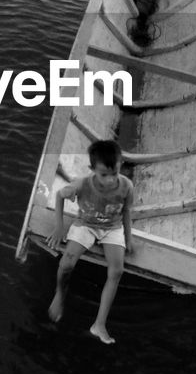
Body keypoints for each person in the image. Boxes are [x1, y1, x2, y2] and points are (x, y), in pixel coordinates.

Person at [46, 138, 134, 345]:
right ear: (92, 169)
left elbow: (127, 211)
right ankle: (59, 295)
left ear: (120, 165)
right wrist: (59, 227)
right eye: (104, 175)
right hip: (86, 223)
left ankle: (99, 324)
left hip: (112, 228)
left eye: (115, 173)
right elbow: (59, 196)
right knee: (67, 262)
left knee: (116, 271)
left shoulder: (126, 186)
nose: (111, 180)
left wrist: (129, 238)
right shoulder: (83, 184)